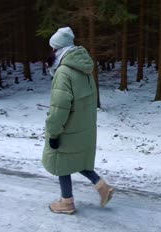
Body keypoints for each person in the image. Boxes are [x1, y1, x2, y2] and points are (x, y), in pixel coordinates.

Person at [42, 26, 114, 215]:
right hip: (83, 126)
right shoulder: (84, 68)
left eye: (53, 48)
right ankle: (102, 187)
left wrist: (54, 132)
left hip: (67, 127)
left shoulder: (64, 72)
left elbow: (59, 107)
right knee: (77, 160)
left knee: (62, 162)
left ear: (58, 49)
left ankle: (67, 203)